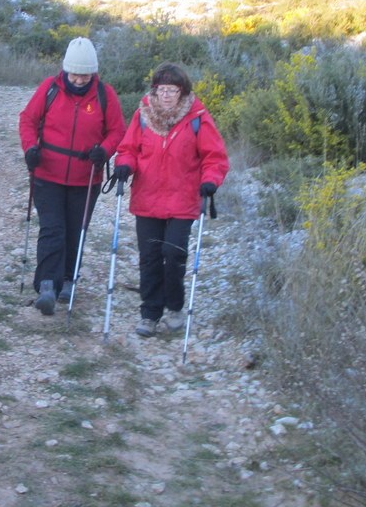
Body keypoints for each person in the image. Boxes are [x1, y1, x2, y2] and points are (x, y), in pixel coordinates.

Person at [113, 62, 229, 337]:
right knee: (150, 257)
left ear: (183, 92)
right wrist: (124, 165)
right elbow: (128, 148)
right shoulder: (143, 115)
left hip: (183, 199)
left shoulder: (197, 117)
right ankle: (150, 313)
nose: (166, 95)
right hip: (148, 199)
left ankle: (175, 306)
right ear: (154, 90)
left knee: (174, 253)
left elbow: (215, 156)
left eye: (172, 90)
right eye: (161, 89)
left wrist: (211, 180)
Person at [18, 37, 126, 315]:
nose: (78, 80)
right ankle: (47, 285)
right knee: (52, 228)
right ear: (66, 69)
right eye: (74, 74)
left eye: (84, 74)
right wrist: (30, 147)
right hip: (47, 172)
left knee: (76, 230)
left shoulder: (105, 94)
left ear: (93, 72)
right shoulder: (49, 89)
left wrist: (104, 150)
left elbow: (117, 131)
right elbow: (28, 120)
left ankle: (68, 278)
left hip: (86, 176)